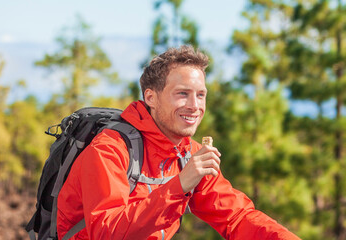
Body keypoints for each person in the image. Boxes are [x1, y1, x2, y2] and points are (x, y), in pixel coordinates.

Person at [55, 45, 300, 240]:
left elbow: (236, 217)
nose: (195, 106)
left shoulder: (187, 154)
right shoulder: (110, 149)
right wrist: (181, 183)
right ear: (151, 97)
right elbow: (106, 234)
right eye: (182, 94)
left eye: (200, 94)